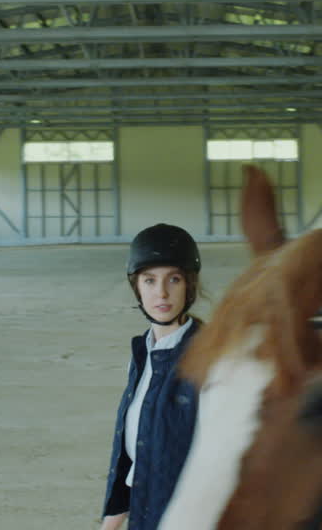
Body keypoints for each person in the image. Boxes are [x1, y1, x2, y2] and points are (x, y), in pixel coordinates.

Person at [99, 223, 204, 530]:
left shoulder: (209, 358)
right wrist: (110, 523)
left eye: (174, 279)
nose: (161, 292)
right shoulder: (144, 353)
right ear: (138, 288)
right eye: (150, 280)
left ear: (189, 285)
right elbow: (134, 451)